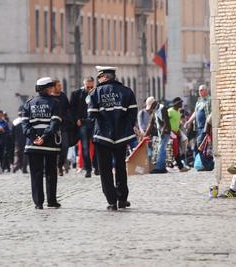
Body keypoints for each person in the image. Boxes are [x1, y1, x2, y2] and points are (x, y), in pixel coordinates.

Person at [88, 66, 138, 210]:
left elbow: (92, 116)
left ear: (103, 76)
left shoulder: (95, 93)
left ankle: (111, 201)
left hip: (102, 136)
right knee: (121, 167)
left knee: (105, 169)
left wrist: (101, 129)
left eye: (99, 77)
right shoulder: (127, 91)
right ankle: (122, 199)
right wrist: (125, 128)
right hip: (121, 136)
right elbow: (132, 113)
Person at [22, 77, 62, 210]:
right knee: (51, 172)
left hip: (33, 145)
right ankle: (51, 201)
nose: (52, 89)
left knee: (36, 173)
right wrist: (44, 137)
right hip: (49, 144)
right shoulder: (55, 103)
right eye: (51, 87)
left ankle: (38, 202)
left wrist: (34, 137)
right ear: (46, 89)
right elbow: (54, 124)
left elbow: (25, 125)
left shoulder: (28, 103)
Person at [69, 76, 99, 178]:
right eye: (88, 87)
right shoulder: (76, 94)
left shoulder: (97, 93)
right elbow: (71, 109)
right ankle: (88, 169)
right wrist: (76, 119)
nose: (90, 89)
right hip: (82, 123)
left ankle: (96, 167)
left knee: (96, 146)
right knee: (85, 147)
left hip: (94, 122)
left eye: (91, 87)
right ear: (84, 84)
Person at [50, 79, 72, 177]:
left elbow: (68, 109)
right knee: (52, 148)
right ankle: (53, 167)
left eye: (61, 85)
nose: (61, 87)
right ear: (53, 87)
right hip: (52, 126)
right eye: (58, 85)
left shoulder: (63, 96)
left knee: (65, 147)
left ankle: (60, 165)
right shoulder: (49, 97)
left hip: (63, 126)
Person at [149, 99, 171, 174]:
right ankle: (163, 167)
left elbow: (166, 121)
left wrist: (163, 131)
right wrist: (145, 134)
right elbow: (151, 124)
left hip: (165, 132)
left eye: (151, 106)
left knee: (161, 148)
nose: (151, 108)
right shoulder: (154, 110)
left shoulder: (162, 108)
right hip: (160, 132)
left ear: (154, 103)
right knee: (162, 149)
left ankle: (160, 167)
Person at [168, 97, 188, 171]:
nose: (181, 104)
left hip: (176, 133)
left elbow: (177, 123)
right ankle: (180, 166)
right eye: (180, 103)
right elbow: (165, 121)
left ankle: (176, 165)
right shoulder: (170, 111)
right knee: (175, 150)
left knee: (176, 150)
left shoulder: (178, 112)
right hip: (171, 133)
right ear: (176, 104)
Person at [12, 106, 28, 174]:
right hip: (25, 140)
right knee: (25, 155)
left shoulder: (15, 121)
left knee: (19, 155)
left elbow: (12, 133)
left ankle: (17, 167)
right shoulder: (27, 121)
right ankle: (22, 168)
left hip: (17, 142)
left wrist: (14, 141)